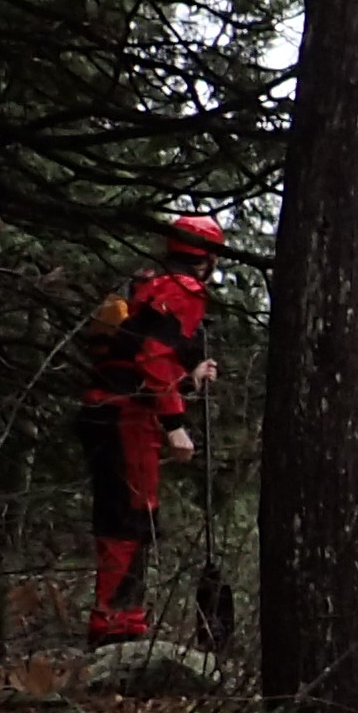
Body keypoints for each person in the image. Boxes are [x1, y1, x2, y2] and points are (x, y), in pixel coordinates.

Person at [77, 214, 223, 645]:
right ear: (208, 257)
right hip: (127, 417)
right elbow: (154, 357)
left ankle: (117, 617)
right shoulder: (182, 290)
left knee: (122, 513)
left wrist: (188, 375)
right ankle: (118, 624)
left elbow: (140, 355)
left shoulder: (146, 284)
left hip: (105, 410)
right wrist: (175, 424)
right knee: (131, 515)